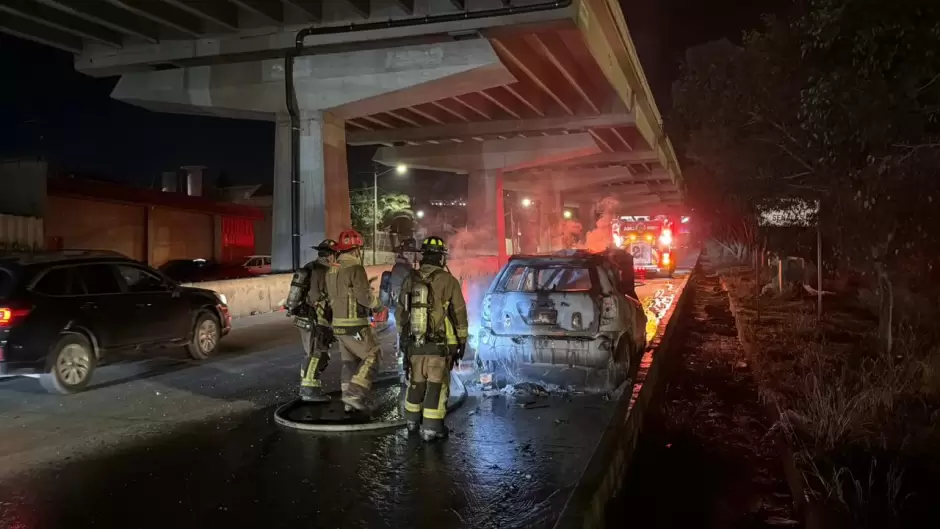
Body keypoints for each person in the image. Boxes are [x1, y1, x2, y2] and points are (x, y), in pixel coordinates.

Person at [396, 235, 469, 442]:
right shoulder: (448, 281)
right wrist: (462, 341)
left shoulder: (410, 279)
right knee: (436, 385)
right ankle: (431, 428)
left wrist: (404, 339)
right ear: (441, 258)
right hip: (440, 344)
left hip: (414, 343)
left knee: (416, 382)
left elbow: (400, 312)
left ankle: (411, 422)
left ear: (424, 256)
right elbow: (459, 313)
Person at [325, 229, 386, 412]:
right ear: (356, 250)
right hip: (355, 324)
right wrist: (379, 305)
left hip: (338, 324)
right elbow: (364, 298)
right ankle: (355, 394)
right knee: (373, 355)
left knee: (349, 362)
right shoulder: (356, 268)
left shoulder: (332, 270)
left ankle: (348, 403)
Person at [284, 239, 337, 402]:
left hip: (303, 317)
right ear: (331, 255)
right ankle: (309, 391)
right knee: (318, 354)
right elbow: (327, 299)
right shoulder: (326, 272)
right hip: (316, 319)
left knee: (311, 353)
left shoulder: (309, 267)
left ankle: (306, 384)